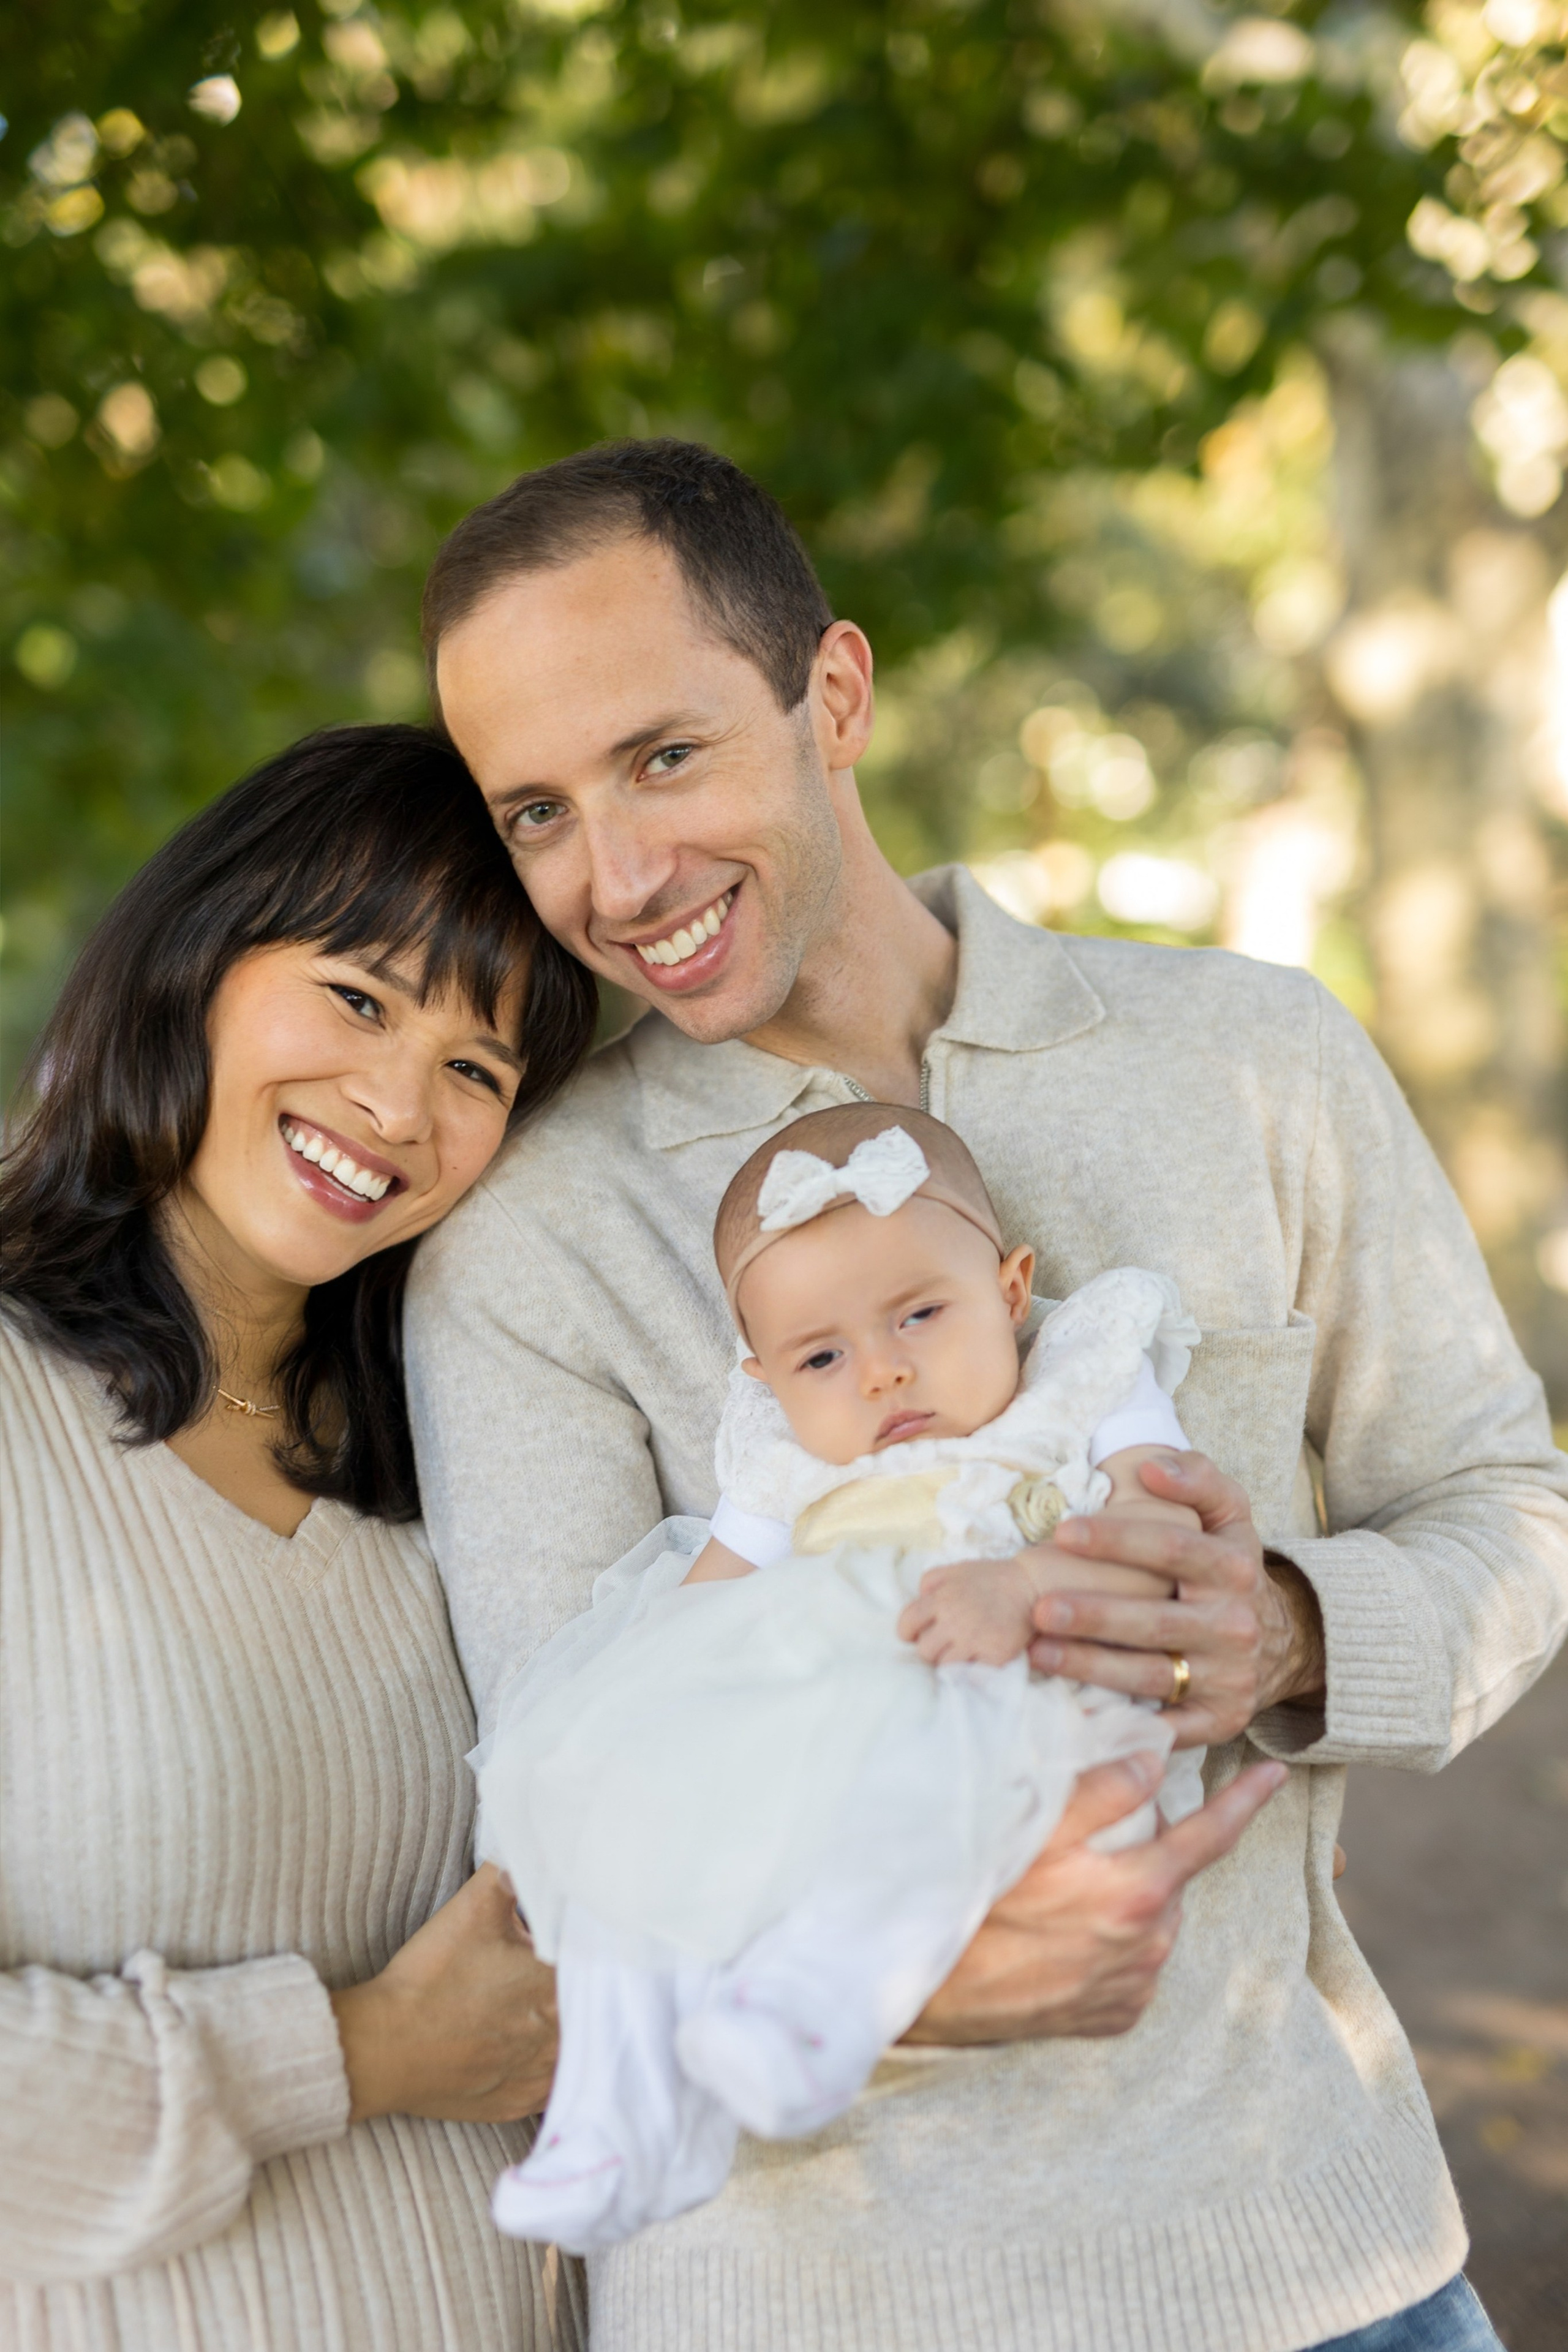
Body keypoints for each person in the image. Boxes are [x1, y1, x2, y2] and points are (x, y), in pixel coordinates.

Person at [407, 438, 1568, 2352]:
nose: (617, 878)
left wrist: (1286, 1630)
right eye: (538, 811)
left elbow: (1504, 1503)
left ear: (834, 694)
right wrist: (923, 1986)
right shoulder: (528, 1241)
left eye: (666, 757)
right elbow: (573, 1829)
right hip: (811, 2313)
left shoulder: (1254, 1059)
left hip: (1318, 2264)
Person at [0, 726, 598, 2352]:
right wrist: (361, 2052)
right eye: (359, 998)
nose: (398, 1104)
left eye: (477, 1071)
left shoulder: (463, 1469)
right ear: (195, 959)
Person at [478, 1105, 1209, 2252]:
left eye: (920, 1313)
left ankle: (808, 2022)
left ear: (1013, 1289)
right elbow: (701, 1605)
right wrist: (628, 1745)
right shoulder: (785, 1460)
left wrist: (1026, 1584)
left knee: (907, 1823)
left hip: (1011, 1695)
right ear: (766, 1378)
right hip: (821, 1717)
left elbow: (1168, 1530)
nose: (882, 1371)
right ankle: (606, 2118)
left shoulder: (1082, 1373)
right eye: (821, 1358)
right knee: (639, 1812)